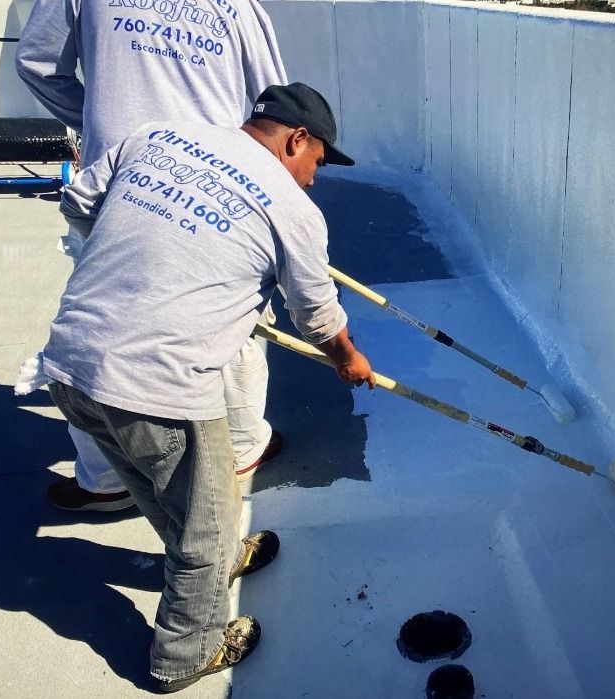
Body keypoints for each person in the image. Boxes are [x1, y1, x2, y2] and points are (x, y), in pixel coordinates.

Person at [44, 82, 374, 691]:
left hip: (69, 365)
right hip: (156, 387)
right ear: (297, 139)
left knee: (155, 484)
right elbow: (317, 315)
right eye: (316, 163)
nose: (312, 180)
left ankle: (213, 561)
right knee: (209, 518)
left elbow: (80, 202)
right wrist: (348, 360)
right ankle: (184, 654)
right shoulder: (294, 210)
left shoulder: (158, 137)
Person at [15, 0, 289, 511]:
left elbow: (37, 62)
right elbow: (271, 102)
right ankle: (245, 447)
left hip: (117, 182)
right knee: (235, 321)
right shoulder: (238, 6)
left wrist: (109, 126)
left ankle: (105, 478)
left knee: (103, 321)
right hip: (213, 188)